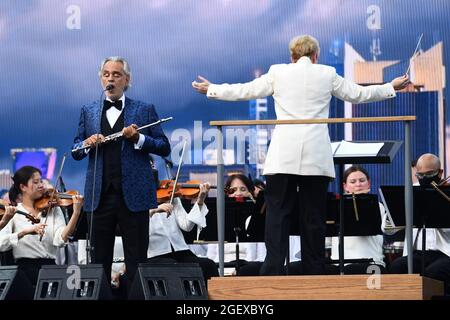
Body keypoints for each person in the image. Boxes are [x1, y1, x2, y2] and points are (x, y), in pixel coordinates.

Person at [192, 34, 409, 275]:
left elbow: (245, 90)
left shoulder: (278, 72)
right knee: (313, 216)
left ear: (292, 57)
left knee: (277, 215)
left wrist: (212, 89)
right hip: (315, 156)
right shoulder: (326, 73)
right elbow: (359, 94)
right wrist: (391, 86)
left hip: (283, 156)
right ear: (316, 56)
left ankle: (272, 269)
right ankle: (313, 270)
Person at [71, 56, 171, 295]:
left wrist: (139, 138)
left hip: (134, 197)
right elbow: (75, 151)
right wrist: (86, 143)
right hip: (99, 196)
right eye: (106, 74)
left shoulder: (144, 109)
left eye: (116, 74)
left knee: (137, 260)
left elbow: (164, 147)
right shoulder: (89, 110)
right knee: (98, 262)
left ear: (127, 80)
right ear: (100, 79)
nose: (110, 78)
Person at [0, 166, 83, 286]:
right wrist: (24, 232)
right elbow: (1, 244)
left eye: (41, 181)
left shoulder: (53, 209)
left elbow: (60, 239)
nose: (41, 185)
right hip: (23, 271)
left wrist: (76, 213)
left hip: (50, 269)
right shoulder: (13, 213)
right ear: (23, 187)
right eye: (35, 182)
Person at [387, 153, 450, 291]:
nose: (424, 178)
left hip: (445, 252)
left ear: (440, 172)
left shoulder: (446, 191)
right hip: (419, 253)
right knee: (397, 266)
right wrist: (393, 214)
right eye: (420, 175)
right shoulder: (411, 191)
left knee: (433, 273)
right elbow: (388, 229)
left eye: (429, 174)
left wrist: (440, 206)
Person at [327, 166, 386, 274]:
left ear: (369, 183)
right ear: (345, 186)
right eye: (353, 182)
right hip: (338, 264)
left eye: (362, 181)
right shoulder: (336, 207)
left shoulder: (379, 207)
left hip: (371, 263)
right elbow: (327, 240)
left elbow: (387, 230)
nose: (358, 184)